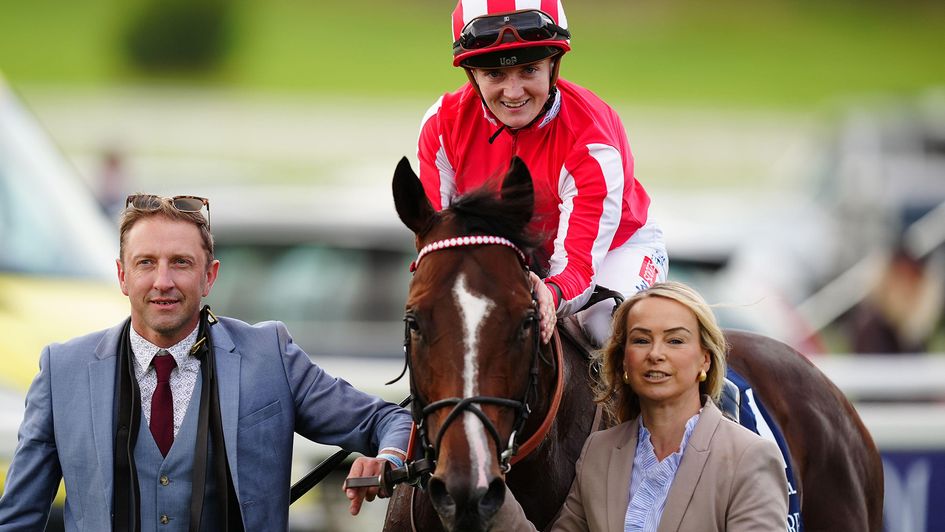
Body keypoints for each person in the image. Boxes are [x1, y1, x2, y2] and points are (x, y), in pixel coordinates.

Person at [0, 194, 412, 530]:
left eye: (181, 262)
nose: (163, 281)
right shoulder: (62, 370)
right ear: (122, 276)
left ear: (209, 276)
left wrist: (388, 458)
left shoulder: (270, 355)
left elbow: (391, 420)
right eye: (146, 263)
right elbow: (18, 519)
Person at [418, 0, 667, 347]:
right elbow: (437, 243)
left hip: (614, 251)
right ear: (471, 74)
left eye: (529, 69)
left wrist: (549, 292)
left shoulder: (592, 141)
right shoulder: (441, 125)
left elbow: (577, 270)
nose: (514, 92)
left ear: (553, 64)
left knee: (605, 329)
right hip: (517, 255)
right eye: (495, 74)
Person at [497, 281, 788, 530]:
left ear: (705, 359)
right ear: (623, 360)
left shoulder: (749, 456)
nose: (656, 354)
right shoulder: (598, 452)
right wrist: (492, 487)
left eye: (675, 340)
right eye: (641, 340)